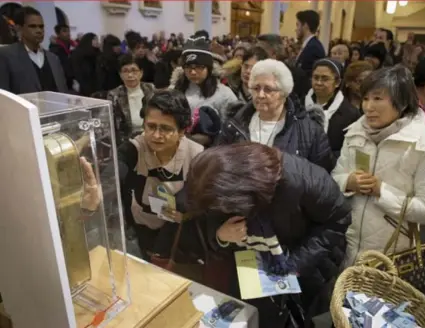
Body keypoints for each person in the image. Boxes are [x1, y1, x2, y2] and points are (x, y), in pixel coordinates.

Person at [185, 142, 351, 327]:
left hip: (305, 267)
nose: (224, 210)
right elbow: (210, 221)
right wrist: (220, 235)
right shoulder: (216, 181)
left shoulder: (302, 179)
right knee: (252, 316)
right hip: (248, 267)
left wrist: (295, 263)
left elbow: (339, 220)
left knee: (300, 319)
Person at [332, 65, 425, 268]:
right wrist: (348, 182)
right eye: (365, 98)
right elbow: (335, 177)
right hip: (346, 250)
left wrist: (381, 191)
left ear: (400, 103)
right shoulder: (355, 132)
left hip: (393, 259)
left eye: (378, 99)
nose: (368, 107)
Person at [117, 89, 204, 261]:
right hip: (144, 226)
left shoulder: (196, 155)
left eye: (165, 129)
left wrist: (188, 214)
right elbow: (115, 171)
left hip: (180, 232)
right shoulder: (134, 149)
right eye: (150, 126)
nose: (156, 135)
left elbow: (205, 199)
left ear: (182, 131)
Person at [218, 58, 335, 173]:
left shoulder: (309, 130)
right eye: (256, 88)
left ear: (284, 93)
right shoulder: (234, 124)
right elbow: (219, 165)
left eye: (268, 89)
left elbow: (321, 177)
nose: (261, 95)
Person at [0, 6, 67, 94]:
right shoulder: (6, 55)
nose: (39, 30)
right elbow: (4, 94)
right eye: (32, 26)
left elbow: (63, 91)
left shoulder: (53, 59)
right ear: (19, 28)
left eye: (41, 26)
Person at [305, 58, 361, 156]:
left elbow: (349, 151)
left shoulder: (350, 114)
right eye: (315, 77)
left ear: (337, 82)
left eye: (325, 79)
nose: (318, 82)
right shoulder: (300, 105)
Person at [107, 53, 155, 145]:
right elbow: (109, 123)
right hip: (127, 142)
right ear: (120, 74)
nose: (130, 75)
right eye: (125, 71)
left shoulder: (150, 89)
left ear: (141, 73)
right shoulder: (114, 95)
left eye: (134, 70)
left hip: (151, 138)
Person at [294, 10, 325, 77]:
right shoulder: (309, 45)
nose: (296, 29)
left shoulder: (313, 48)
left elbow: (307, 76)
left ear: (305, 25)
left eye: (298, 25)